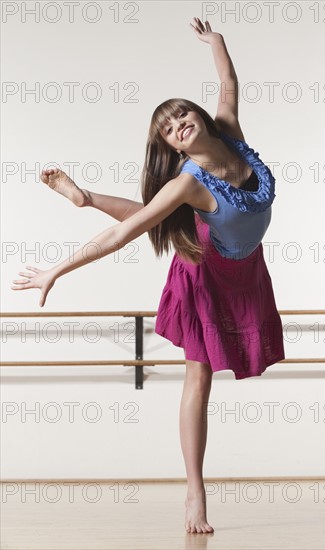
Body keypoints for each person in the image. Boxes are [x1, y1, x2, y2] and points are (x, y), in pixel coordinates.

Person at [10, 17, 285, 534]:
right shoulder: (186, 183)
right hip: (205, 275)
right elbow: (128, 232)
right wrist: (56, 270)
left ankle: (86, 197)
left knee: (162, 221)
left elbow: (229, 84)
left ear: (198, 119)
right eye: (168, 129)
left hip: (247, 269)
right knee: (198, 374)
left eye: (181, 115)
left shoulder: (230, 130)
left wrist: (216, 41)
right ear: (175, 147)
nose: (177, 125)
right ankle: (195, 494)